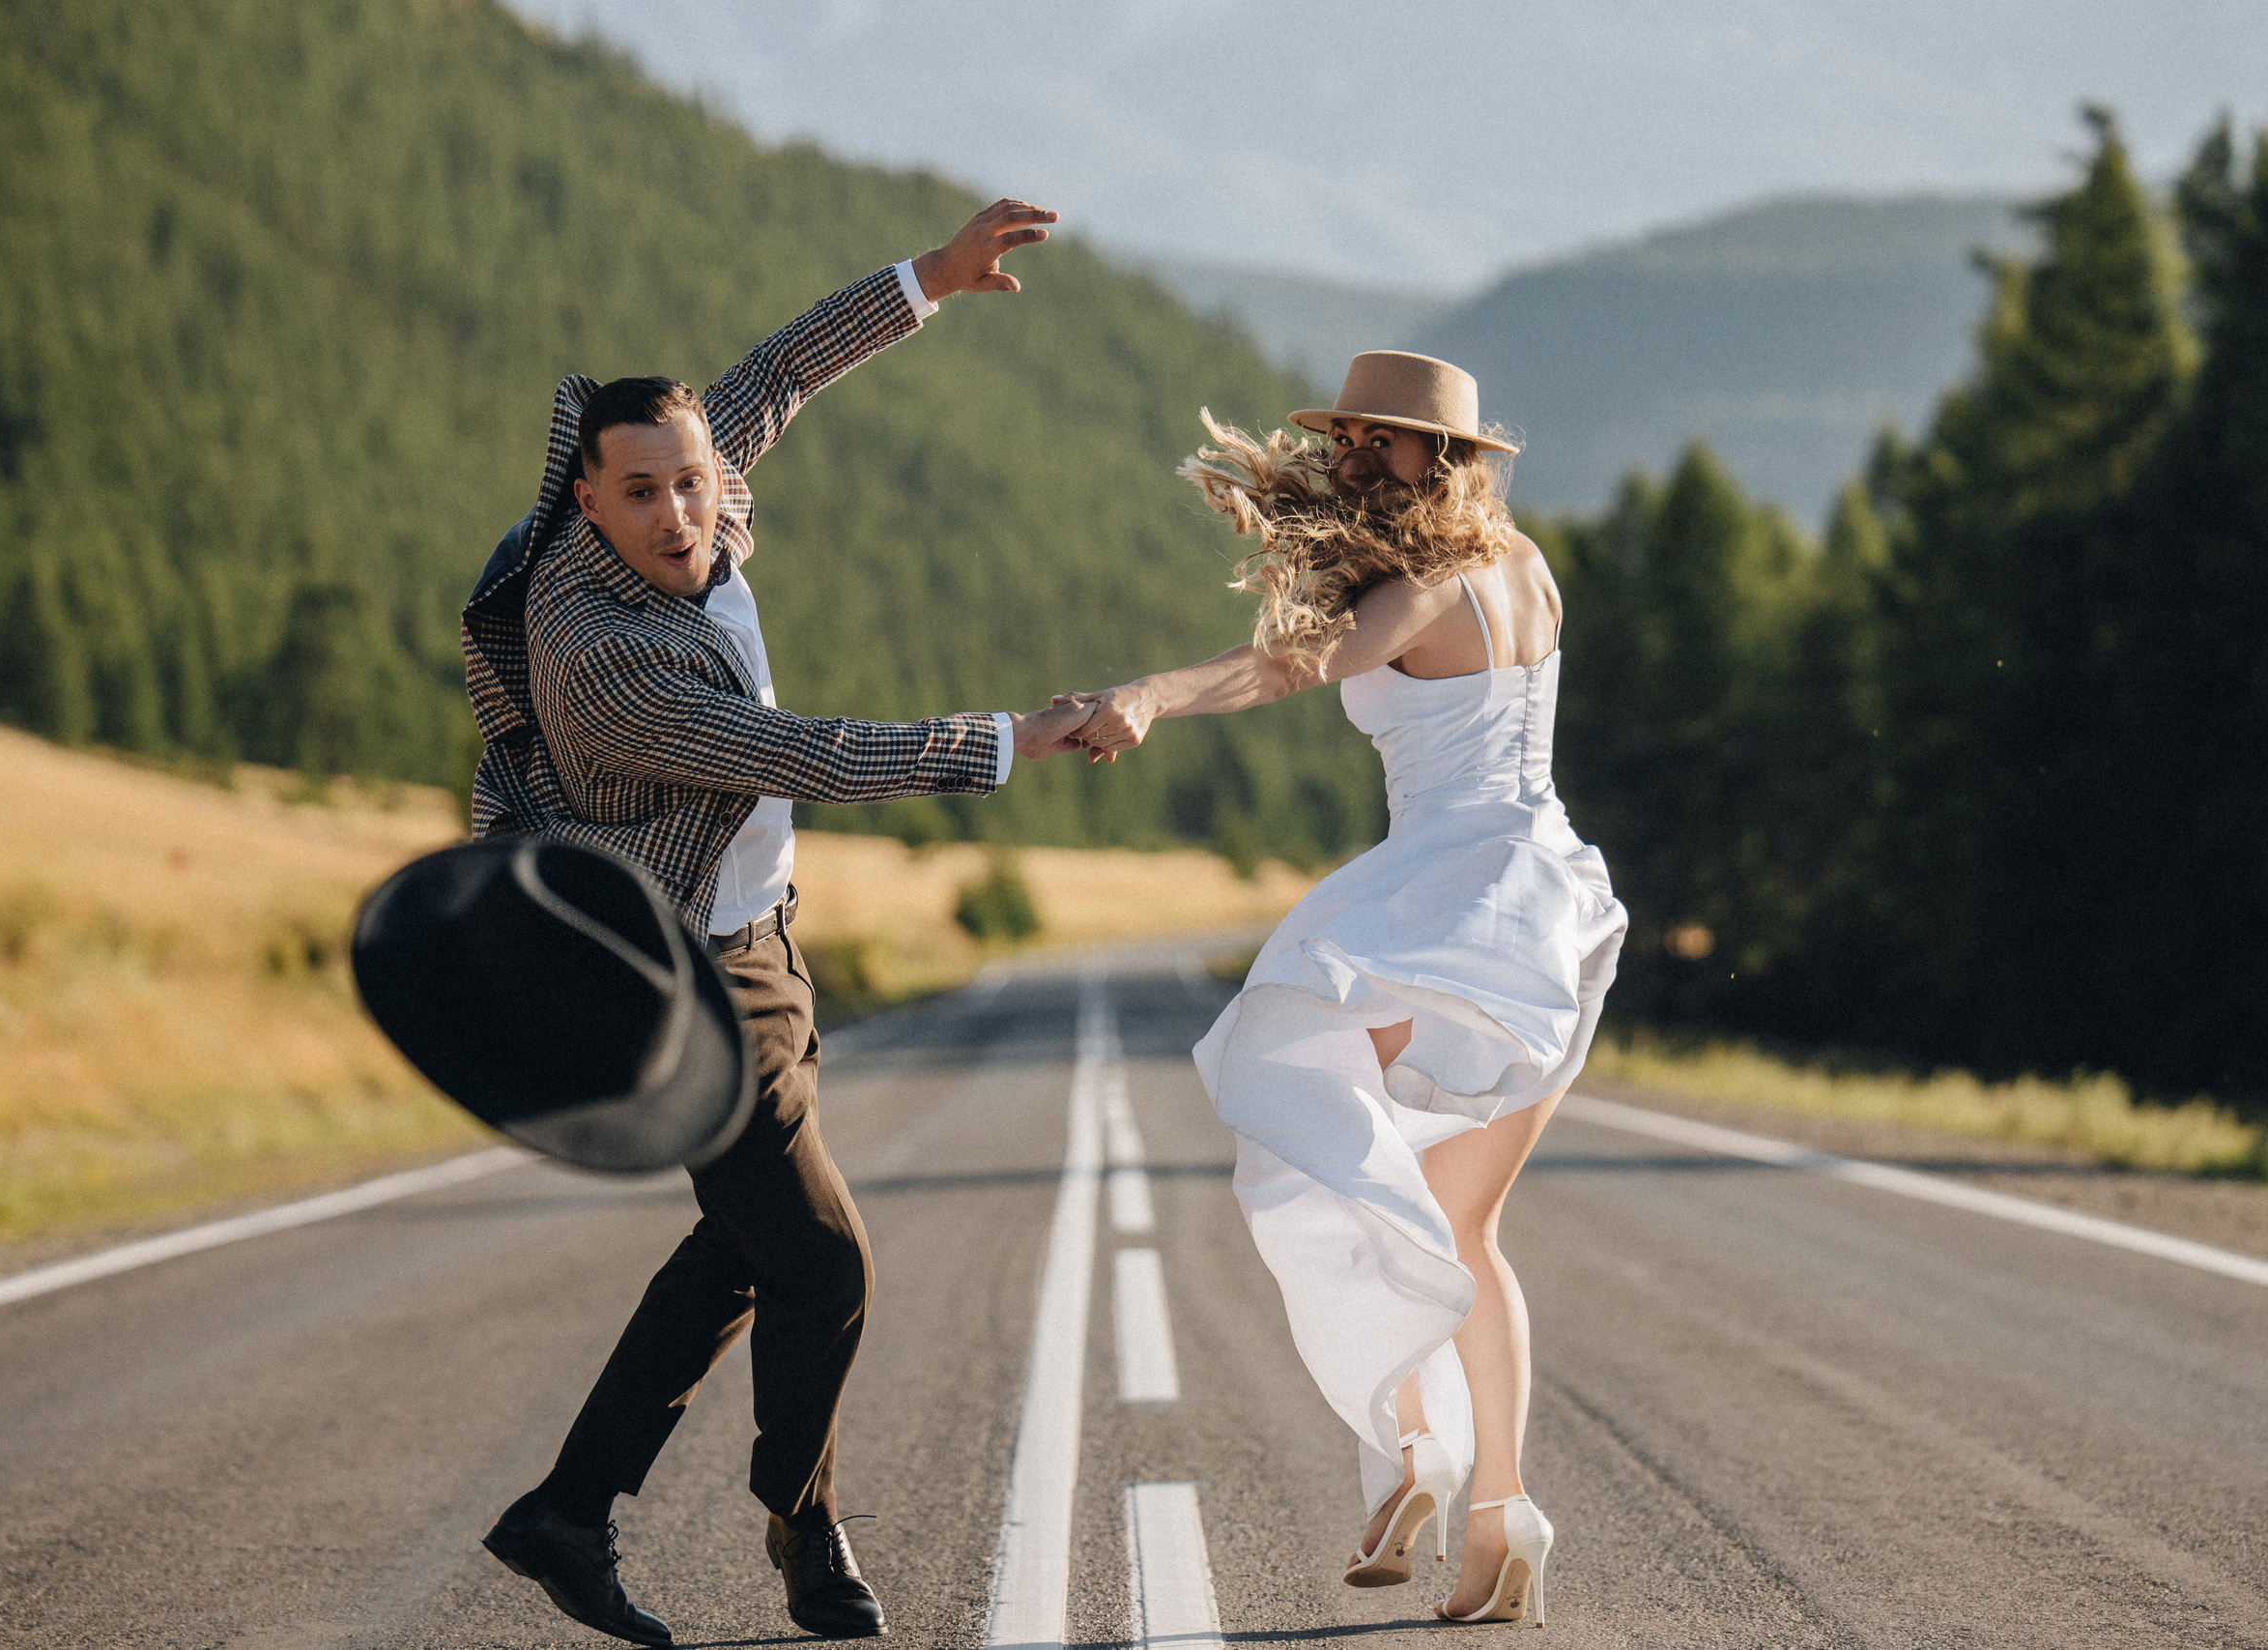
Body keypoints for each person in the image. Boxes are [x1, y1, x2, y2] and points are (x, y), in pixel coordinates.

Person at [460, 199, 1095, 1645]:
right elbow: (805, 755)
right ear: (586, 506)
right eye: (644, 496)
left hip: (760, 940)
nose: (683, 516)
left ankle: (570, 1513)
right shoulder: (601, 651)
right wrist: (1018, 737)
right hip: (674, 974)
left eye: (692, 483)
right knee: (823, 1261)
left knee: (743, 1252)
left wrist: (932, 276)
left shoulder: (699, 483)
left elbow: (778, 371)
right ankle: (804, 1528)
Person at [1060, 351, 1626, 1628]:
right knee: (1453, 1225)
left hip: (1453, 905)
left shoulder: (1426, 587)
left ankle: (1412, 1448)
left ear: (1452, 457)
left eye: (1394, 443)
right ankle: (1500, 1511)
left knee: (1315, 1136)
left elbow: (1289, 665)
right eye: (1358, 438)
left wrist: (1146, 694)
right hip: (1546, 902)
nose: (1368, 457)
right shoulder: (1524, 562)